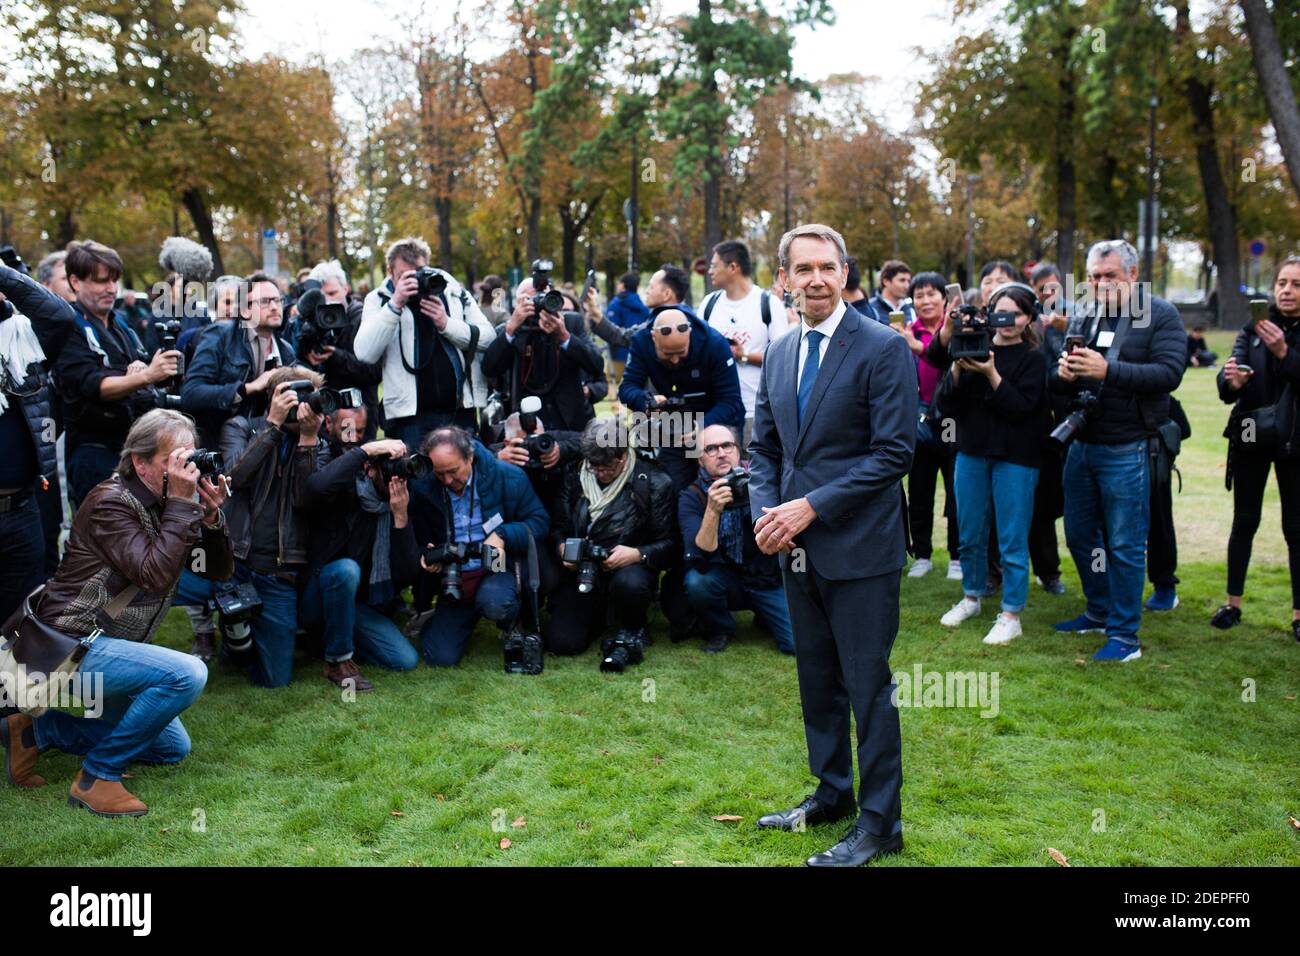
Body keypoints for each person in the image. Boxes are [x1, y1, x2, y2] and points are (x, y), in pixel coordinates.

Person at [749, 223, 915, 867]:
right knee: (817, 680)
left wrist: (810, 506)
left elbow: (895, 453)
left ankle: (881, 824)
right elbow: (764, 448)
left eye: (828, 267)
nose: (816, 279)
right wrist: (769, 512)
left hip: (861, 550)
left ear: (846, 274)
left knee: (867, 686)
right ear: (784, 278)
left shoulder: (882, 348)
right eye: (803, 269)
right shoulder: (782, 350)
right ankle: (834, 794)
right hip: (795, 549)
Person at [3, 409, 231, 816]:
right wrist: (182, 504)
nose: (186, 470)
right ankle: (97, 777)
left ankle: (39, 729)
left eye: (190, 458)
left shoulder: (169, 502)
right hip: (69, 646)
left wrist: (211, 518)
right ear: (139, 462)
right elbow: (154, 575)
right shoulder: (110, 502)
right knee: (188, 674)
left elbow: (213, 570)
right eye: (174, 460)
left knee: (171, 748)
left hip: (112, 649)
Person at [1050, 239, 1187, 661]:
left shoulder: (1160, 314)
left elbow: (1170, 372)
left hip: (1129, 445)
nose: (1100, 283)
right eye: (1093, 276)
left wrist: (1109, 370)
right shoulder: (1086, 313)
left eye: (1109, 275)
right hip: (1083, 441)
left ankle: (1125, 636)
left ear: (1132, 274)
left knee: (1126, 545)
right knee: (1079, 534)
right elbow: (1065, 376)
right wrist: (1065, 372)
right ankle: (1099, 608)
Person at [179, 366, 329, 688]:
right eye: (294, 396)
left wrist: (308, 441)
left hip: (278, 571)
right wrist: (272, 426)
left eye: (310, 398)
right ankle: (230, 623)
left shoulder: (317, 442)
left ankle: (240, 637)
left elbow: (308, 501)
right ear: (273, 398)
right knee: (164, 578)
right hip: (232, 561)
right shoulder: (241, 427)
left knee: (275, 679)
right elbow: (231, 479)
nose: (303, 406)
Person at [933, 282, 1051, 645]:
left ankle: (1011, 612)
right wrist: (957, 368)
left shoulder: (1033, 359)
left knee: (1012, 538)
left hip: (1016, 457)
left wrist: (991, 374)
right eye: (1001, 312)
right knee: (969, 532)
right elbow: (946, 407)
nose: (1008, 321)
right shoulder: (973, 346)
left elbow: (1022, 409)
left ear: (1029, 317)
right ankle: (971, 596)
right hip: (970, 453)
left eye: (1016, 313)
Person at [1212, 255, 1300, 640]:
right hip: (1250, 434)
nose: (1287, 290)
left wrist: (1284, 353)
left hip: (1295, 439)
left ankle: (1298, 614)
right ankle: (1233, 604)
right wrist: (1232, 381)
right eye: (1282, 282)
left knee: (1295, 527)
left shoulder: (1281, 337)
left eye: (1296, 284)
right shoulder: (1254, 327)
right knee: (1244, 520)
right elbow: (1226, 386)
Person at [54, 241, 180, 508]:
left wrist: (145, 373)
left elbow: (141, 364)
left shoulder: (119, 322)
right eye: (101, 281)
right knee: (103, 537)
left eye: (114, 281)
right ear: (75, 282)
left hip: (133, 447)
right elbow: (92, 385)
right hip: (93, 452)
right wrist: (143, 377)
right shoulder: (68, 325)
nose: (111, 289)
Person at [410, 426, 549, 667]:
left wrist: (503, 535)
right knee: (440, 657)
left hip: (495, 566)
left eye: (453, 471)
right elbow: (414, 536)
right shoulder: (423, 486)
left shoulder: (507, 476)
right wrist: (427, 553)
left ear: (470, 458)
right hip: (453, 575)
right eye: (440, 474)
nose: (448, 481)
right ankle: (440, 618)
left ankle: (511, 619)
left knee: (496, 603)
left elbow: (539, 522)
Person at [301, 414, 421, 689]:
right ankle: (338, 661)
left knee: (405, 660)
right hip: (320, 595)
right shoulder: (346, 490)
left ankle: (329, 640)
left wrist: (400, 517)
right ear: (369, 469)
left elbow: (406, 575)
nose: (398, 478)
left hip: (359, 606)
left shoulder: (399, 500)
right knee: (346, 569)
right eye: (390, 470)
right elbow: (315, 488)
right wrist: (365, 450)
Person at [548, 417, 676, 661]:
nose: (599, 473)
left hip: (629, 570)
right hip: (583, 570)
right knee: (563, 643)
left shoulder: (655, 482)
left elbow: (671, 545)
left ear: (624, 457)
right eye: (593, 466)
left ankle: (634, 624)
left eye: (607, 467)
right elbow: (558, 527)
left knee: (630, 583)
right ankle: (595, 617)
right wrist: (563, 547)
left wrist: (638, 553)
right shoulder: (574, 475)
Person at [354, 237, 496, 449]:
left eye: (419, 272)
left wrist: (446, 324)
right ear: (389, 271)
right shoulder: (379, 299)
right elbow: (365, 353)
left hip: (459, 413)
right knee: (420, 480)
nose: (414, 280)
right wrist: (395, 304)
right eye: (404, 276)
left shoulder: (453, 292)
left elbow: (488, 338)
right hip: (410, 419)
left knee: (463, 477)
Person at [0, 257, 76, 622]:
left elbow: (61, 317)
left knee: (21, 622)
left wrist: (4, 275)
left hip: (21, 508)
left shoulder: (24, 338)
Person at [679, 423, 794, 654]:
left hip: (765, 577)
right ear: (700, 460)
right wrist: (713, 510)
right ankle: (721, 628)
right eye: (710, 449)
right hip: (723, 577)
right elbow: (699, 555)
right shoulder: (693, 496)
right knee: (697, 582)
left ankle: (765, 616)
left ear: (739, 450)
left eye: (727, 445)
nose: (721, 453)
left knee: (795, 644)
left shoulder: (764, 481)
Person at [617, 305, 745, 491]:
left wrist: (701, 425)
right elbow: (627, 388)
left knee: (727, 491)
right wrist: (646, 401)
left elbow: (731, 401)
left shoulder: (715, 343)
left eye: (681, 353)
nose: (675, 360)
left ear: (690, 335)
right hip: (675, 427)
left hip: (716, 425)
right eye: (668, 355)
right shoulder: (641, 342)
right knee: (675, 490)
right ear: (654, 338)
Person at [181, 272, 297, 449]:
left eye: (278, 300)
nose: (274, 307)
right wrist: (247, 388)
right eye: (265, 301)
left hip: (267, 447)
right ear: (244, 310)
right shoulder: (221, 335)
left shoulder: (286, 350)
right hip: (217, 446)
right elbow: (191, 394)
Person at [480, 274, 604, 434]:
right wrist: (512, 329)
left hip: (570, 423)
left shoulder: (571, 323)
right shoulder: (509, 330)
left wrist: (564, 336)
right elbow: (489, 369)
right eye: (530, 300)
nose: (539, 306)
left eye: (545, 299)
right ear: (518, 303)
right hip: (526, 422)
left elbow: (596, 365)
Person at [898, 271, 960, 581]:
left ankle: (957, 557)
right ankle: (921, 553)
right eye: (919, 295)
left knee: (955, 492)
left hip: (953, 420)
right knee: (919, 492)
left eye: (931, 293)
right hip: (919, 422)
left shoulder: (957, 329)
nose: (925, 300)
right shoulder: (907, 332)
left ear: (944, 297)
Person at [701, 240, 781, 448]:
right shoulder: (709, 304)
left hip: (756, 411)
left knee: (753, 475)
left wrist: (741, 355)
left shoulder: (768, 303)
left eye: (714, 265)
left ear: (733, 267)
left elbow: (783, 360)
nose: (710, 271)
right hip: (715, 412)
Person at [296, 259, 384, 439]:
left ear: (346, 289)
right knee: (327, 465)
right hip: (323, 411)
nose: (327, 301)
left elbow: (374, 372)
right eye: (321, 296)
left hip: (358, 413)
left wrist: (336, 356)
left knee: (354, 460)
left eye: (332, 293)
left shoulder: (363, 318)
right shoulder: (310, 322)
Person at [604, 272, 650, 382]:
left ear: (623, 285)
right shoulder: (643, 306)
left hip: (617, 352)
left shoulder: (615, 304)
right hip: (638, 353)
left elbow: (609, 327)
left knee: (611, 385)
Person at [862, 259, 916, 327]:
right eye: (902, 280)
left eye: (908, 281)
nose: (907, 285)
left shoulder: (910, 310)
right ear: (886, 281)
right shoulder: (869, 308)